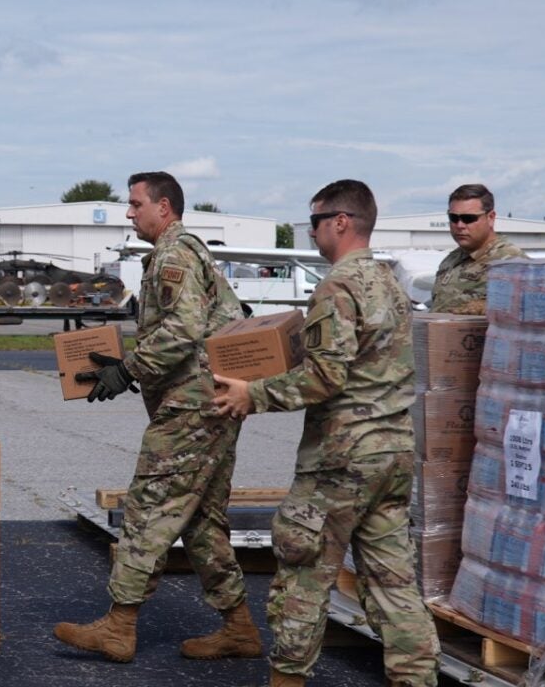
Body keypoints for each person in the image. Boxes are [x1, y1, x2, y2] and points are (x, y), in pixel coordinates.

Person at [212, 179, 440, 687]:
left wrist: (254, 394)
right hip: (392, 454)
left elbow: (325, 376)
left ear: (341, 221)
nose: (311, 231)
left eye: (314, 221)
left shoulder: (337, 286)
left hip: (341, 460)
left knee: (303, 573)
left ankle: (288, 678)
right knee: (393, 585)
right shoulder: (389, 283)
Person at [53, 171, 259, 664]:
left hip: (192, 408)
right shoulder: (175, 254)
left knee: (148, 508)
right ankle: (240, 628)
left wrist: (128, 370)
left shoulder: (175, 253)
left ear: (163, 207)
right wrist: (123, 365)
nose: (129, 212)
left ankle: (119, 626)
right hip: (207, 403)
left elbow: (184, 329)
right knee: (203, 523)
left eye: (135, 203)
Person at [431, 183, 526, 314]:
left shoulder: (509, 261)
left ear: (490, 218)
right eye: (453, 218)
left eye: (468, 218)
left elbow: (520, 312)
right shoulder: (451, 260)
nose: (460, 225)